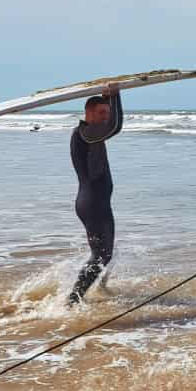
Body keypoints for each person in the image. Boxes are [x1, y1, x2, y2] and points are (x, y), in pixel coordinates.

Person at [67, 89, 123, 303]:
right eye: (101, 113)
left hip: (99, 203)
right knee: (101, 255)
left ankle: (99, 289)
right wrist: (116, 94)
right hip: (92, 203)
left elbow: (110, 125)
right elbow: (115, 127)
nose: (106, 117)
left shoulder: (90, 132)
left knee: (106, 253)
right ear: (88, 113)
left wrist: (108, 97)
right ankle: (73, 301)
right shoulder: (85, 132)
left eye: (107, 112)